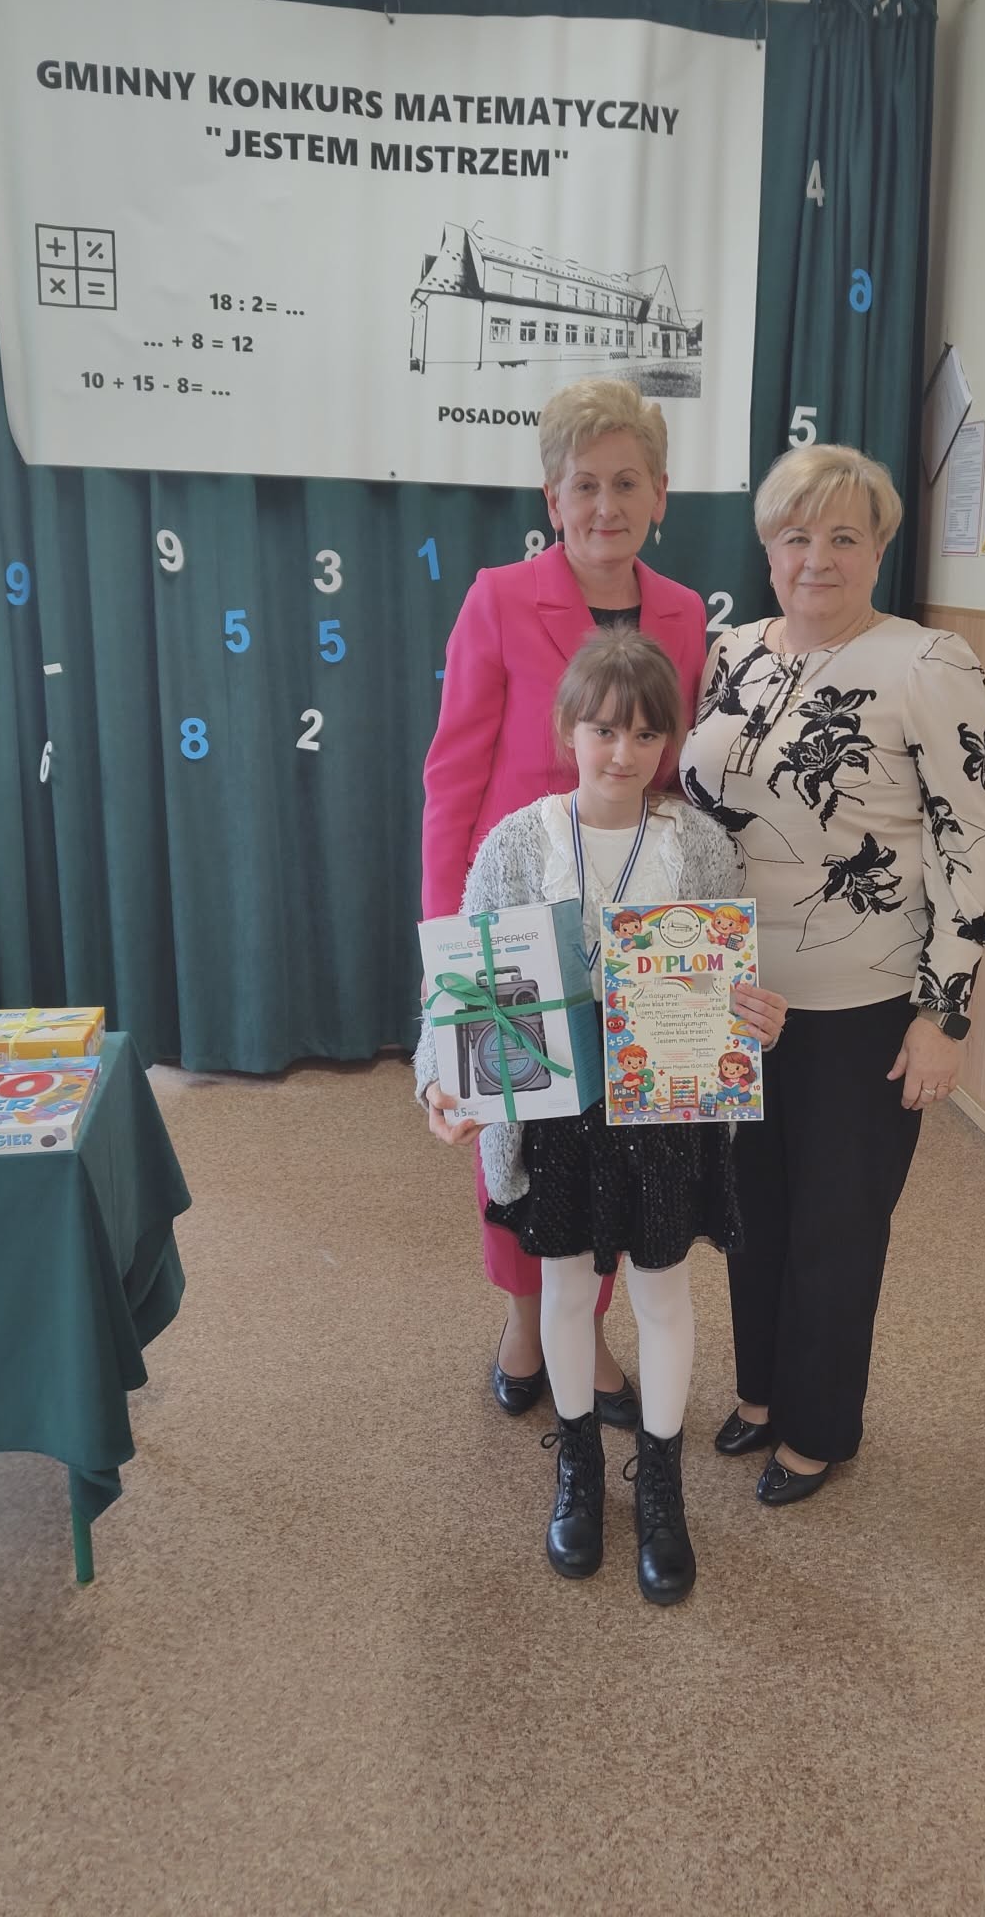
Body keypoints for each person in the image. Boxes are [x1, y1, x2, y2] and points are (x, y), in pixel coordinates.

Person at [416, 630, 786, 1602]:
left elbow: (730, 985)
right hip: (558, 1115)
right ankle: (578, 1464)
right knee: (568, 1289)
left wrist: (757, 1015)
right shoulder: (517, 843)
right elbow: (462, 990)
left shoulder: (697, 845)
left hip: (664, 1113)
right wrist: (443, 1080)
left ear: (669, 742)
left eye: (646, 734)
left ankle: (660, 1482)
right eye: (604, 730)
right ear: (567, 729)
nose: (624, 753)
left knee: (662, 1292)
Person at [680, 444, 985, 1505]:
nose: (817, 557)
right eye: (796, 536)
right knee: (752, 1212)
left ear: (879, 548)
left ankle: (816, 1428)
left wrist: (944, 1014)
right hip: (736, 996)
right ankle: (762, 1392)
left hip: (864, 1003)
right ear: (769, 549)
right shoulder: (733, 651)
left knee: (837, 1224)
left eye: (844, 536)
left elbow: (969, 845)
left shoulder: (930, 662)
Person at [421, 380, 709, 1425]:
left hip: (634, 922)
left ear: (660, 495)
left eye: (627, 482)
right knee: (520, 1139)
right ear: (552, 497)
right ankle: (529, 1321)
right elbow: (453, 777)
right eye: (584, 484)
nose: (605, 505)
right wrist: (447, 950)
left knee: (621, 1146)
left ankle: (584, 1327)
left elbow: (677, 780)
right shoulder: (498, 599)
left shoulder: (684, 614)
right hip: (515, 916)